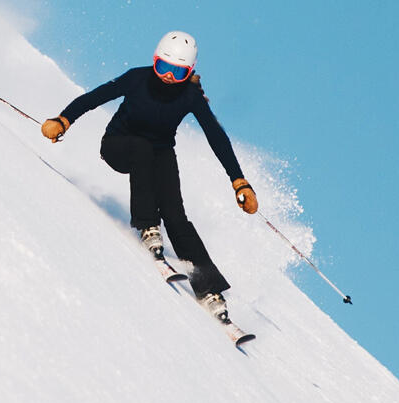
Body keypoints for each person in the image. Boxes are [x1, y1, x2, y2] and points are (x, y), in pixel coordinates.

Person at [41, 31, 257, 323]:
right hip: (118, 145)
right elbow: (95, 97)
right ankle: (147, 225)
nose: (168, 76)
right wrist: (63, 119)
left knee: (176, 215)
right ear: (154, 62)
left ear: (189, 72)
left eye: (177, 71)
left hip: (159, 153)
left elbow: (215, 136)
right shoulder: (137, 78)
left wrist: (238, 180)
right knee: (142, 148)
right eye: (163, 67)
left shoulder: (190, 96)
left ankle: (209, 290)